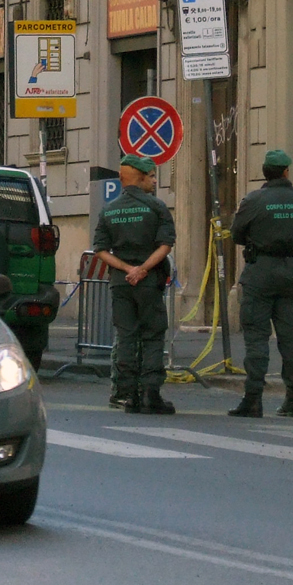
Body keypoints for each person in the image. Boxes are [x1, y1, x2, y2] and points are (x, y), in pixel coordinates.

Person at [92, 154, 177, 414]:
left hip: (121, 283)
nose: (153, 181)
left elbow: (101, 250)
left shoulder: (109, 209)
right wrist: (143, 269)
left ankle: (127, 396)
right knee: (152, 335)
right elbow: (165, 245)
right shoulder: (156, 207)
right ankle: (151, 392)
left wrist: (128, 268)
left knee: (126, 336)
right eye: (150, 176)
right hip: (149, 282)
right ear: (139, 178)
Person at [227, 149, 293, 418]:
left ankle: (253, 399)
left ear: (265, 173)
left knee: (256, 339)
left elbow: (236, 234)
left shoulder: (254, 200)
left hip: (260, 274)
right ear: (286, 172)